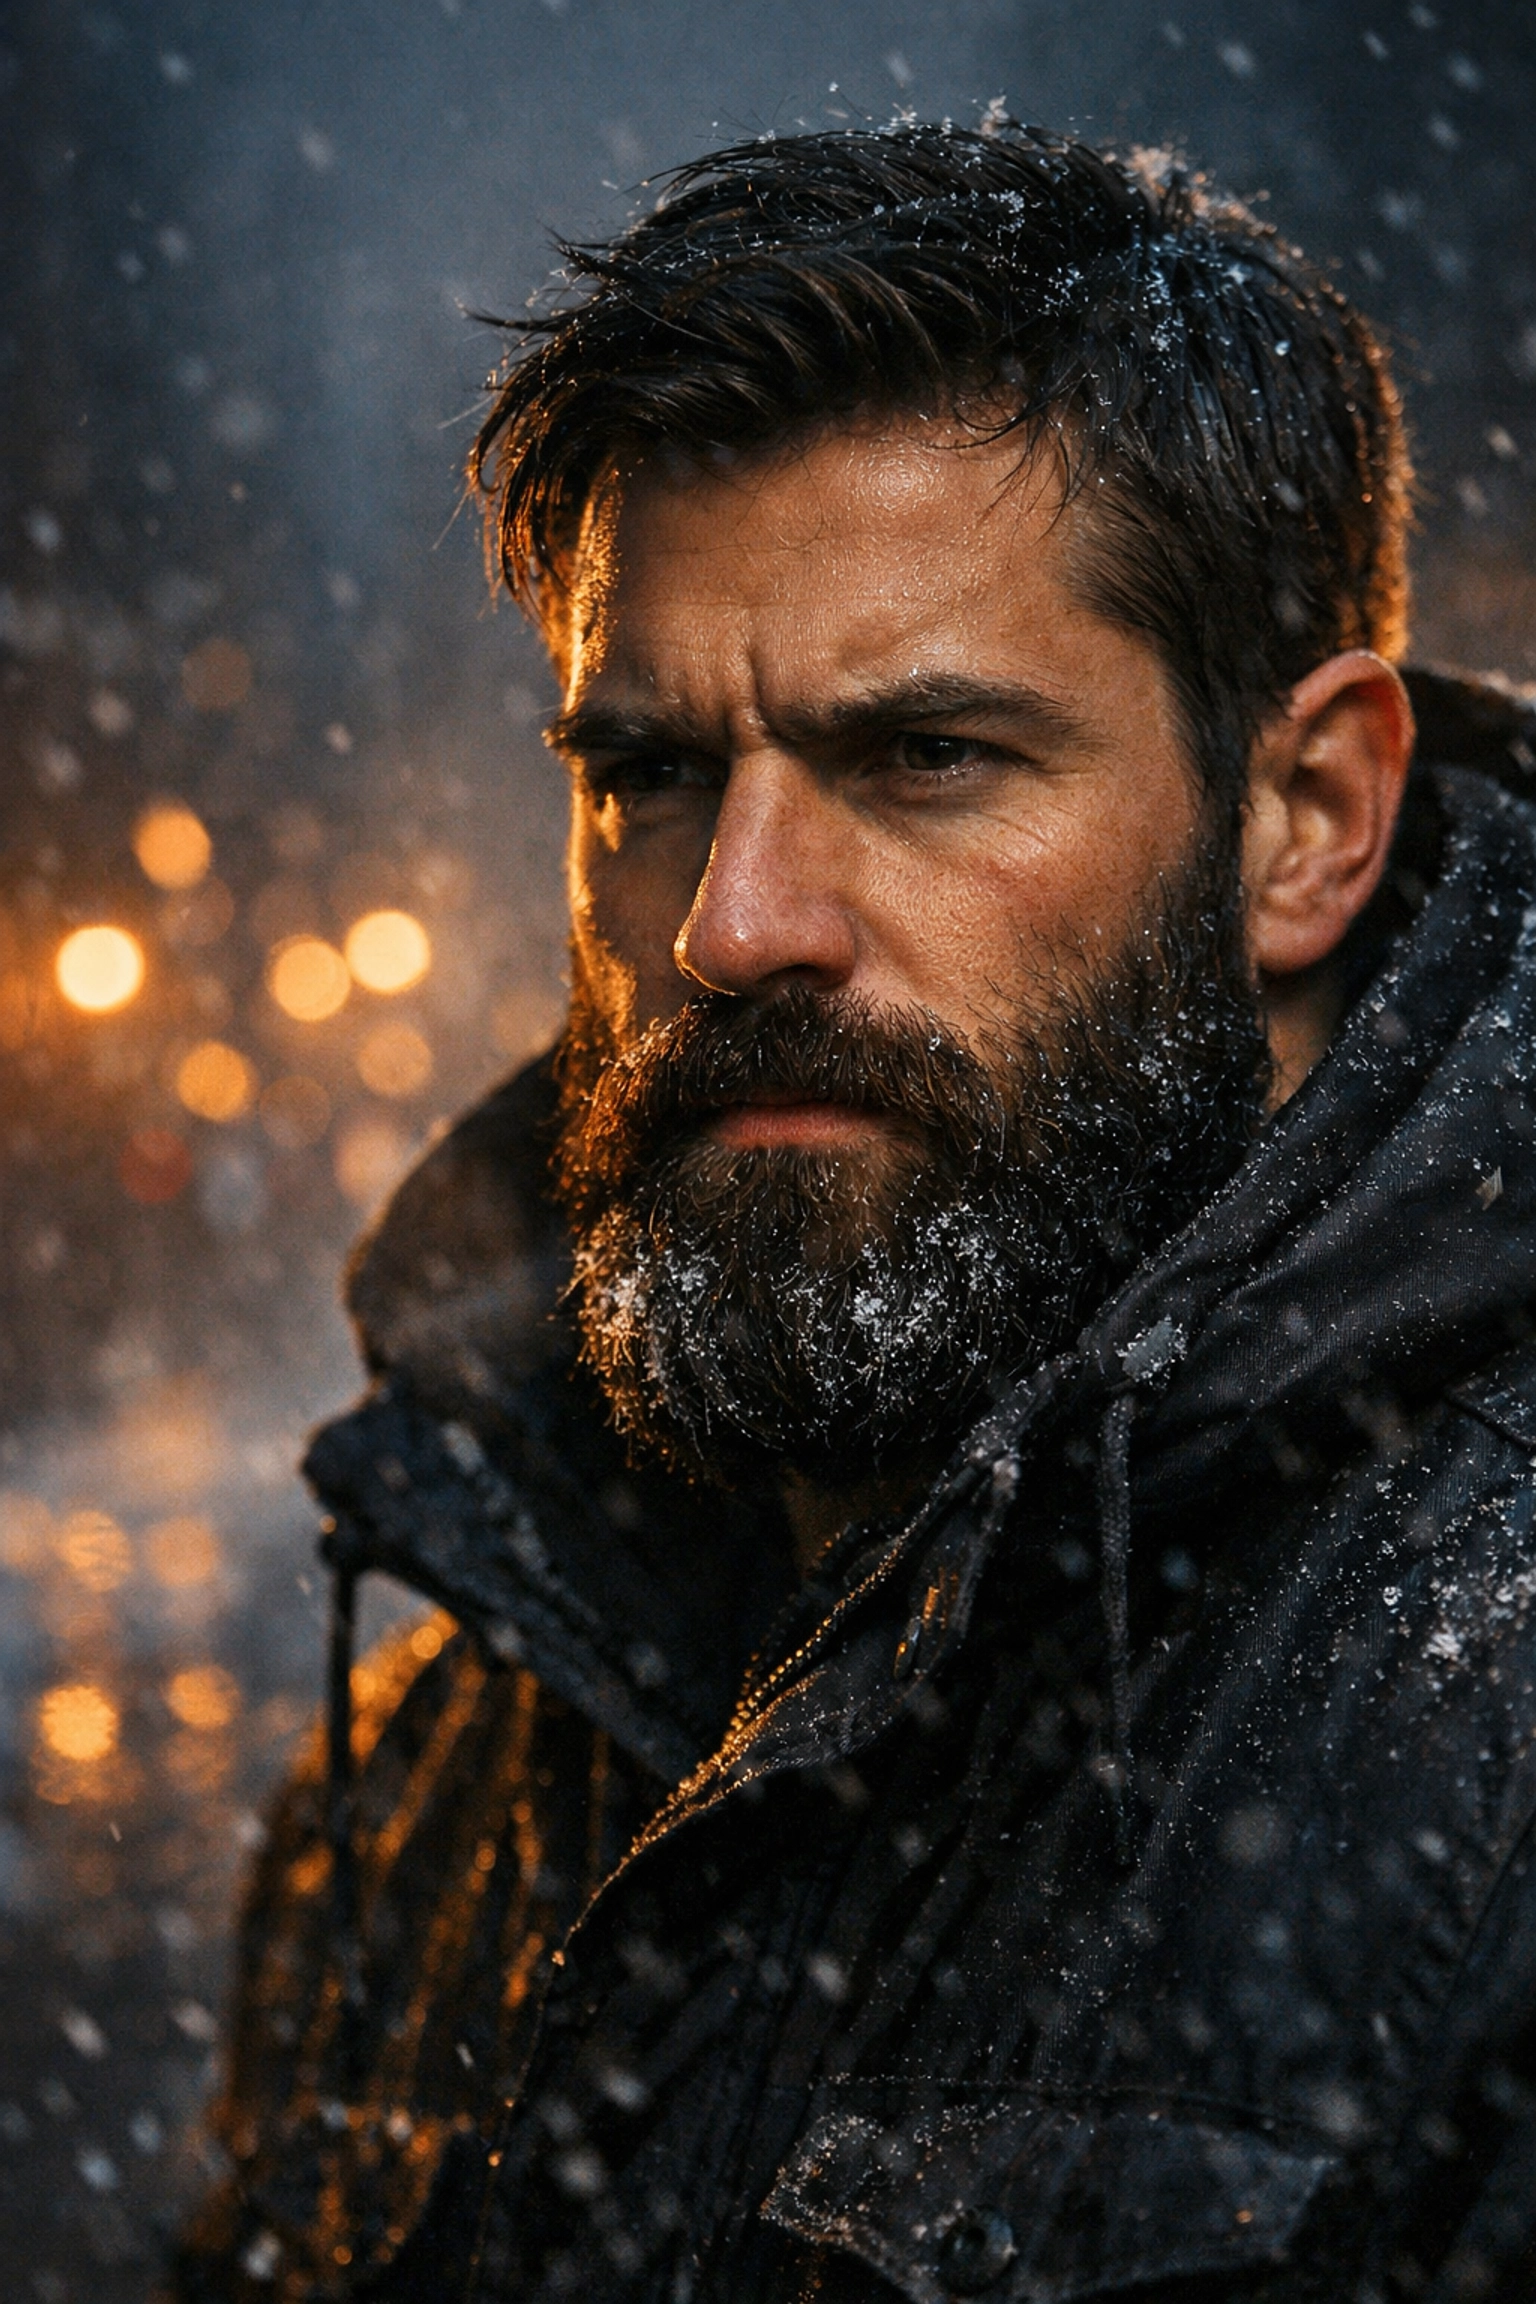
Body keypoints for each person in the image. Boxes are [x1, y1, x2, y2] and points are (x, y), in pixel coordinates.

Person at [173, 121, 1536, 2303]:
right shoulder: (456, 1738)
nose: (730, 927)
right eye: (650, 776)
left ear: (1307, 819)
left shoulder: (1486, 1730)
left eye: (923, 763)